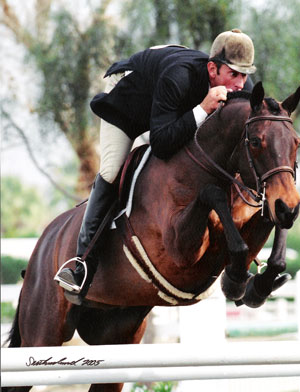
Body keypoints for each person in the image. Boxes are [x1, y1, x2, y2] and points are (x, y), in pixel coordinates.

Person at [55, 28, 257, 304]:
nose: (241, 83)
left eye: (245, 75)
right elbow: (161, 143)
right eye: (234, 74)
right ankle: (82, 265)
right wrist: (202, 109)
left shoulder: (240, 86)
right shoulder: (179, 77)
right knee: (113, 170)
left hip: (166, 109)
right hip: (128, 105)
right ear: (212, 68)